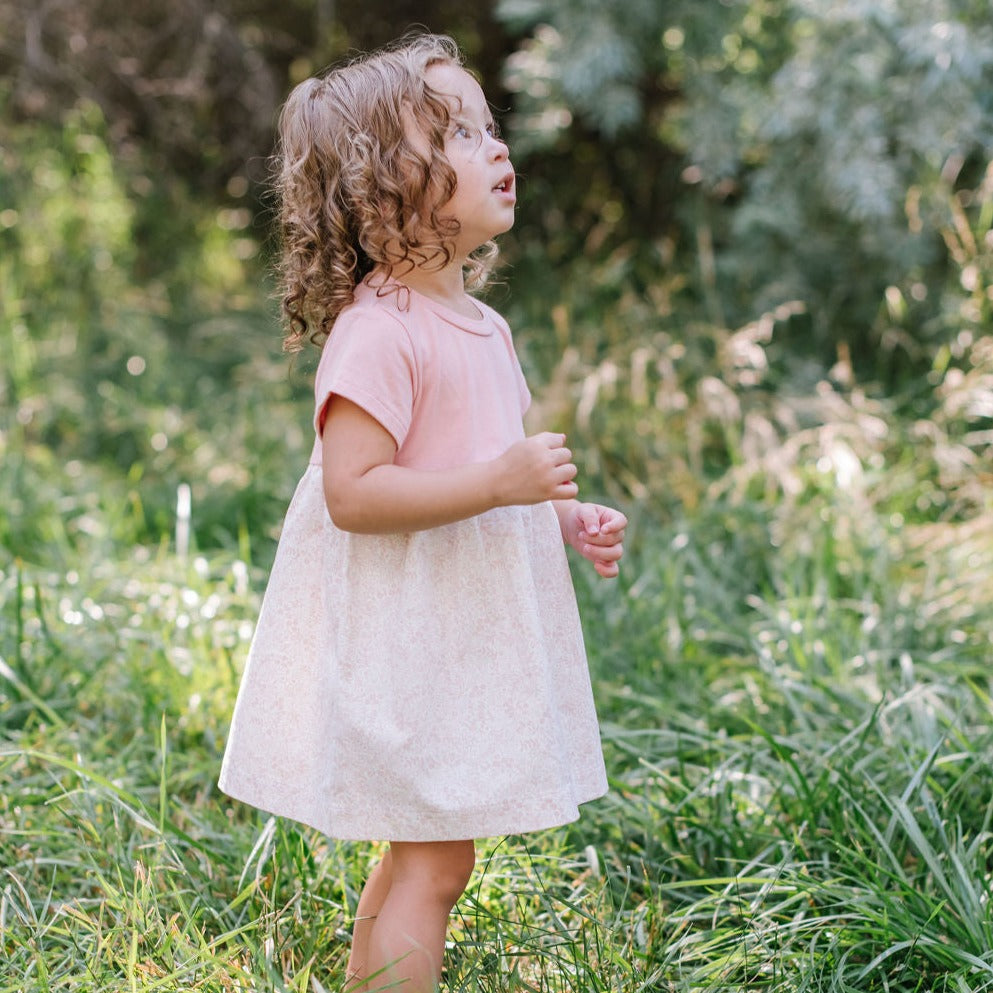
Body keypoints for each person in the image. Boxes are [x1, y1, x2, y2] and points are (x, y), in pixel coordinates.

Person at [218, 32, 627, 993]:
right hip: (412, 638)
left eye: (490, 126)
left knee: (424, 856)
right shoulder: (379, 332)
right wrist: (499, 483)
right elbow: (352, 492)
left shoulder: (484, 326)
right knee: (437, 861)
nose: (495, 148)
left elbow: (484, 468)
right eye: (457, 133)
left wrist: (562, 516)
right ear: (383, 186)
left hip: (462, 635)